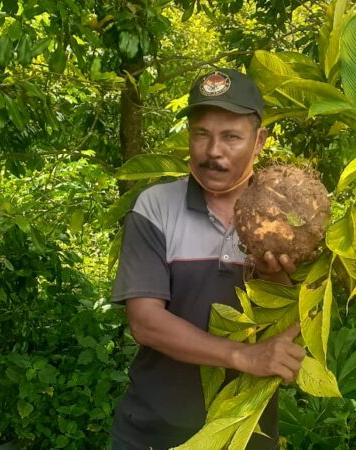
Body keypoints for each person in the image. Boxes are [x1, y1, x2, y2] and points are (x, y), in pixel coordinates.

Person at [110, 68, 306, 450]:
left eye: (231, 137)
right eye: (201, 134)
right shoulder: (155, 207)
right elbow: (145, 322)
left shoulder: (289, 217)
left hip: (246, 434)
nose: (213, 151)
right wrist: (243, 356)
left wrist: (274, 280)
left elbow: (299, 324)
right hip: (153, 433)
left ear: (259, 141)